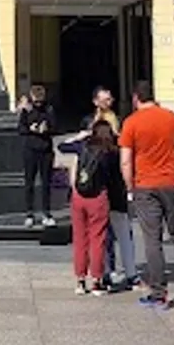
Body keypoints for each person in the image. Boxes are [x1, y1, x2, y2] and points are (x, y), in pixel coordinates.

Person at [119, 81, 174, 309]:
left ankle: (159, 293)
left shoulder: (131, 123)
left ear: (136, 98)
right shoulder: (173, 119)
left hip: (145, 185)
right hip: (173, 183)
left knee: (152, 240)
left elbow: (125, 161)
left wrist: (129, 187)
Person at [63, 119, 119, 295]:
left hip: (79, 196)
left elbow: (62, 147)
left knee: (80, 239)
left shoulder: (83, 146)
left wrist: (79, 136)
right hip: (98, 197)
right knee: (98, 239)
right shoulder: (110, 152)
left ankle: (80, 281)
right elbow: (114, 178)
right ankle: (97, 281)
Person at [17, 84, 56, 227]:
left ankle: (46, 212)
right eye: (36, 101)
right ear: (32, 98)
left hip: (45, 150)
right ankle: (29, 213)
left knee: (46, 183)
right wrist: (30, 128)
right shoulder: (27, 111)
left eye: (41, 101)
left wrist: (47, 129)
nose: (38, 104)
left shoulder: (49, 109)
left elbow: (54, 126)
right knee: (29, 182)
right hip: (30, 150)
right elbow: (20, 128)